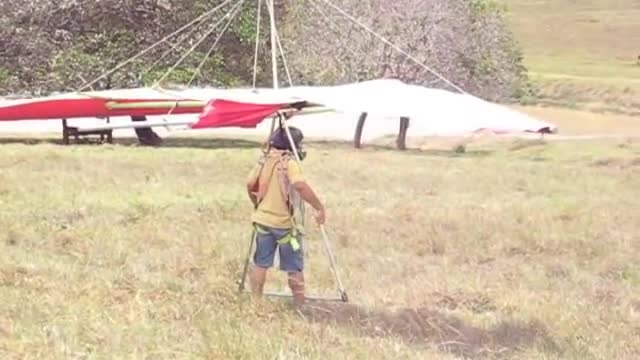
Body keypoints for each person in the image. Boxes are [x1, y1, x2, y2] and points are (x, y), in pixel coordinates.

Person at [245, 125, 325, 307]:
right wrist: (318, 206)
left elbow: (249, 183)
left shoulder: (264, 160)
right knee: (294, 266)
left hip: (262, 222)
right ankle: (299, 305)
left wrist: (257, 204)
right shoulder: (289, 163)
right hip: (285, 226)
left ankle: (255, 302)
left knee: (260, 263)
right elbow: (300, 185)